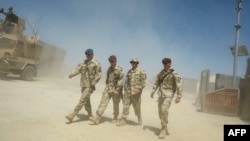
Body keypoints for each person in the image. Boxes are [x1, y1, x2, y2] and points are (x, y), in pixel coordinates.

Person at [65, 48, 102, 123]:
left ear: (92, 55)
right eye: (87, 54)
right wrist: (72, 74)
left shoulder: (96, 63)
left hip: (90, 85)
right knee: (86, 100)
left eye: (90, 54)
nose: (88, 56)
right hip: (83, 84)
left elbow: (99, 74)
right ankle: (90, 115)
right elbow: (78, 69)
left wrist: (94, 81)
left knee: (82, 99)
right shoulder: (83, 62)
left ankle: (73, 114)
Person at [150, 58, 182, 139]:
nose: (164, 65)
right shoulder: (161, 72)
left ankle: (163, 129)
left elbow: (179, 85)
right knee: (160, 112)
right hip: (161, 94)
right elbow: (157, 82)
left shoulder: (175, 73)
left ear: (170, 64)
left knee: (164, 110)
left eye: (166, 63)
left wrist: (178, 96)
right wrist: (153, 91)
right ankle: (165, 125)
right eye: (163, 63)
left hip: (169, 94)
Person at [89, 55, 124, 124]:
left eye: (112, 61)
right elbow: (107, 79)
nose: (111, 62)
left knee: (115, 105)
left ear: (115, 61)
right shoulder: (109, 69)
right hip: (108, 89)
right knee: (103, 103)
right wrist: (107, 86)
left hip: (115, 91)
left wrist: (117, 90)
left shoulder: (120, 69)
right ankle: (97, 117)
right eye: (110, 61)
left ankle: (115, 117)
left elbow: (121, 80)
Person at [116, 57, 146, 126]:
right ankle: (123, 120)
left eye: (135, 62)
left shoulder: (141, 71)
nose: (133, 64)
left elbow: (143, 82)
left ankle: (139, 117)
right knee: (125, 106)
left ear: (137, 63)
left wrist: (140, 89)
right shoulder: (129, 71)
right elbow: (126, 82)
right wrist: (124, 91)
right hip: (128, 92)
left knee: (137, 108)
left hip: (136, 93)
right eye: (132, 62)